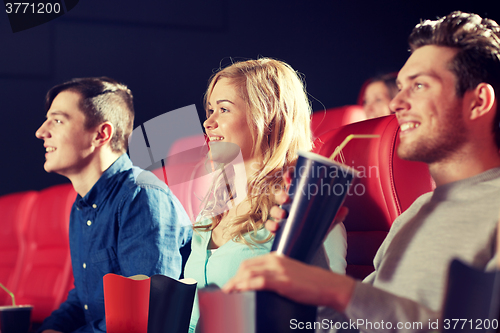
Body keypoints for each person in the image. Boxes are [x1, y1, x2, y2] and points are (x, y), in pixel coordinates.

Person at [224, 11, 500, 332]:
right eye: (400, 87)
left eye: (420, 85)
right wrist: (309, 253)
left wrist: (337, 290)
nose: (397, 102)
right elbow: (353, 326)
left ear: (478, 101)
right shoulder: (413, 217)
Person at [183, 58, 348, 332]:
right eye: (210, 109)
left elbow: (327, 324)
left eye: (223, 109)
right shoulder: (211, 208)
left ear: (268, 118)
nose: (208, 122)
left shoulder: (300, 213)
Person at [35, 77, 192, 333]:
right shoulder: (81, 206)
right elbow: (84, 297)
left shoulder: (142, 197)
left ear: (101, 134)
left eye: (58, 120)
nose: (41, 131)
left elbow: (146, 318)